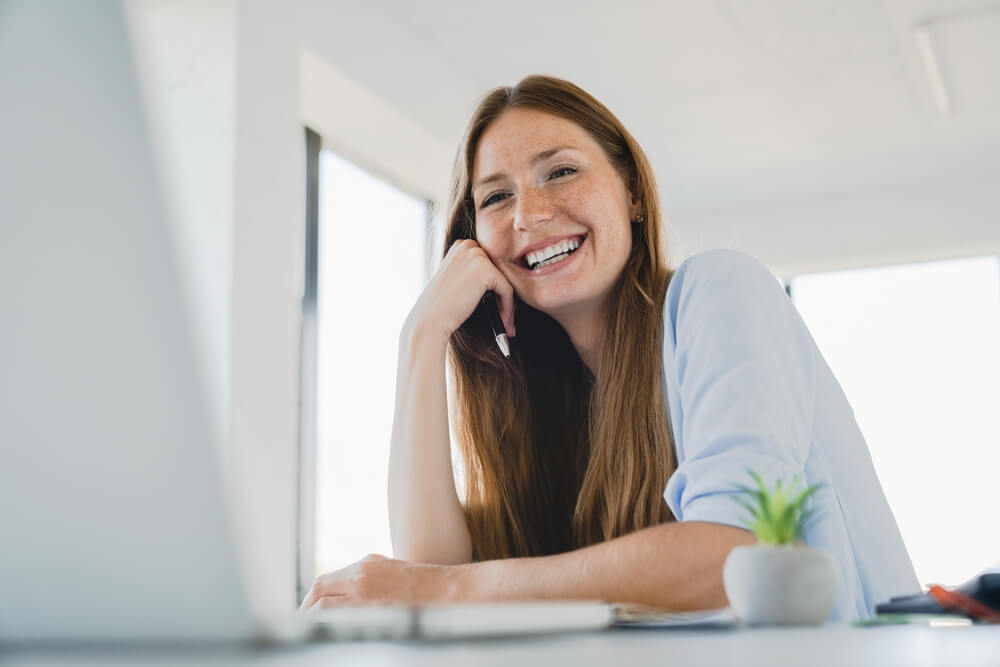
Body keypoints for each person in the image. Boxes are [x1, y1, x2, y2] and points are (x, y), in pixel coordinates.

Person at [299, 75, 919, 620]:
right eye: (495, 196)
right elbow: (427, 579)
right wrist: (421, 336)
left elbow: (734, 556)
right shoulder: (547, 402)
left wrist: (449, 590)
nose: (529, 214)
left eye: (561, 171)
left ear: (633, 194)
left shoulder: (719, 291)